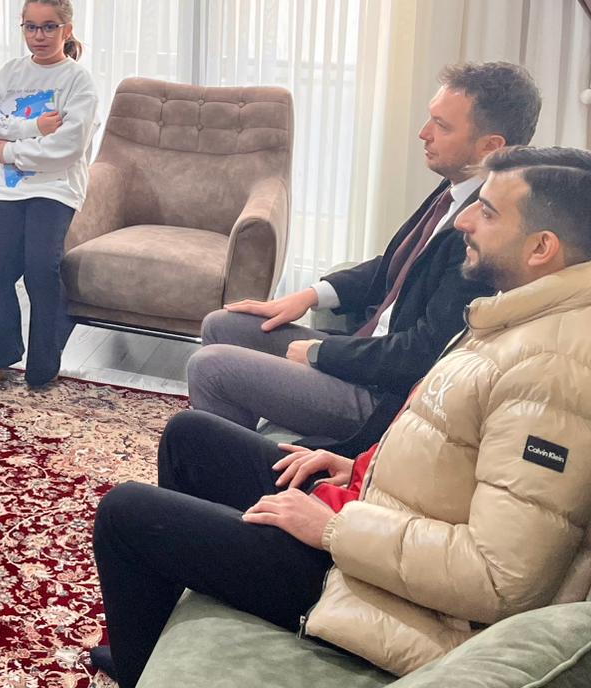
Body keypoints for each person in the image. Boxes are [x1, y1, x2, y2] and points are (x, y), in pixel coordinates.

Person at [89, 146, 591, 686]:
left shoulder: (556, 375)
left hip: (388, 597)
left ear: (542, 248)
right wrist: (360, 468)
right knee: (190, 437)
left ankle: (139, 669)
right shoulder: (533, 312)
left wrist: (333, 529)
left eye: (487, 212)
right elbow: (459, 452)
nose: (465, 221)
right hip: (377, 526)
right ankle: (156, 626)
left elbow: (500, 578)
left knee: (127, 514)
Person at [187, 61, 541, 451]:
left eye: (442, 126)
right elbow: (397, 263)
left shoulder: (485, 232)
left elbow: (423, 353)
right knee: (222, 325)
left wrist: (322, 353)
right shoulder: (457, 187)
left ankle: (239, 470)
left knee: (210, 367)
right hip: (364, 355)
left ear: (491, 146)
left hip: (379, 398)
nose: (424, 133)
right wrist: (308, 296)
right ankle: (234, 455)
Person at [0, 0, 99, 389]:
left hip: (55, 188)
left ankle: (44, 364)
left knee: (40, 270)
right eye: (31, 27)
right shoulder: (11, 72)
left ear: (67, 30)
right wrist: (32, 128)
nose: (39, 36)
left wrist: (10, 151)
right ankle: (1, 353)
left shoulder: (77, 81)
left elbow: (67, 147)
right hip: (6, 188)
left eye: (48, 27)